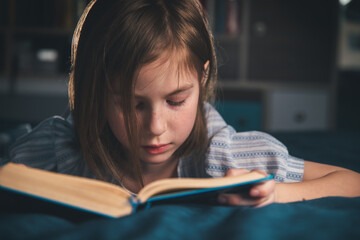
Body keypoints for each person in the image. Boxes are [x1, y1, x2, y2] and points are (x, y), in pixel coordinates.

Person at [7, 0, 360, 207]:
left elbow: (350, 181)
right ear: (96, 92)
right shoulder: (63, 146)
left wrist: (275, 192)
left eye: (176, 100)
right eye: (132, 104)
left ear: (202, 78)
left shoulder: (224, 156)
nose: (155, 128)